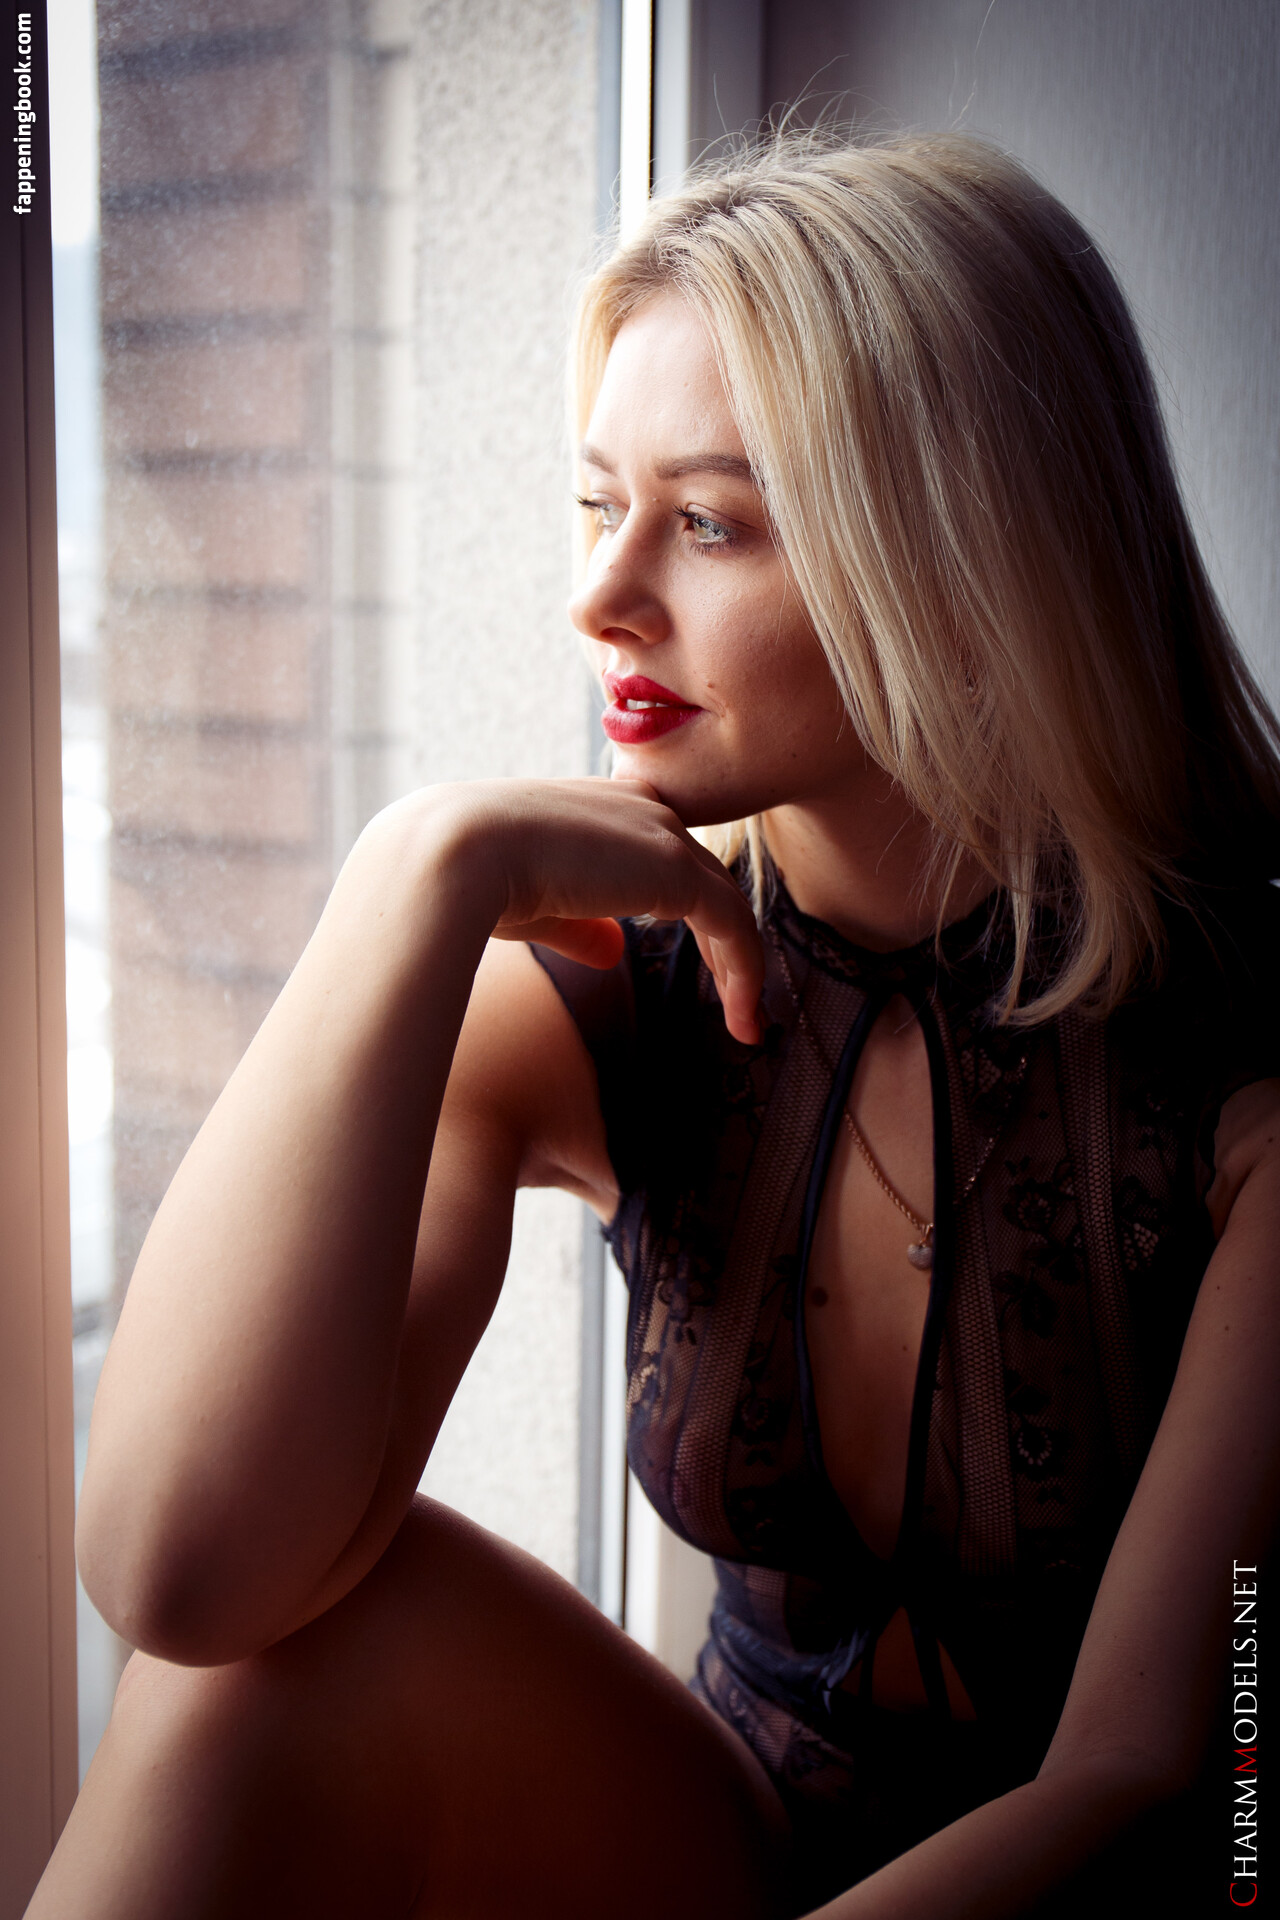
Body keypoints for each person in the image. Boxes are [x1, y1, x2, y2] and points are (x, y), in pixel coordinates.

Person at [30, 133, 1280, 1919]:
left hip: (1155, 1886)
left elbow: (1158, 1777)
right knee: (254, 1670)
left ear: (965, 555)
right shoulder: (616, 988)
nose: (599, 597)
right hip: (730, 1842)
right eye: (595, 503)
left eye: (708, 522)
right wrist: (412, 881)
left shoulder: (1239, 1069)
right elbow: (181, 1572)